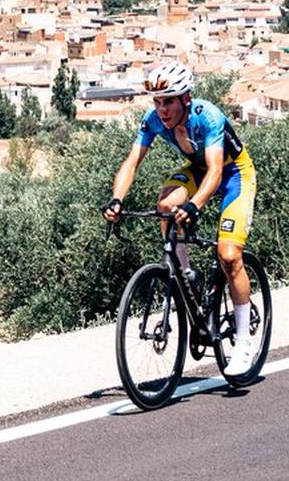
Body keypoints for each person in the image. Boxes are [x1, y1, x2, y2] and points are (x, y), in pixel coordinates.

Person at [102, 62, 260, 375]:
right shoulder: (152, 120)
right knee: (165, 204)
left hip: (234, 175)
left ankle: (243, 343)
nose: (161, 110)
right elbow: (132, 162)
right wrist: (117, 199)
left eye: (168, 101)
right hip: (198, 170)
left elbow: (216, 171)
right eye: (157, 102)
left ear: (186, 98)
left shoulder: (208, 116)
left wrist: (196, 204)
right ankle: (185, 272)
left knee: (229, 257)